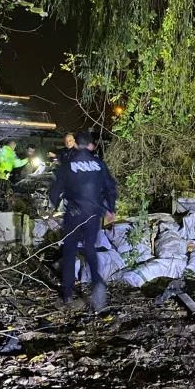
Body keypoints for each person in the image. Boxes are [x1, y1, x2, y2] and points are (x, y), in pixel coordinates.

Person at [49, 130, 117, 312]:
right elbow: (111, 186)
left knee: (70, 250)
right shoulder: (99, 164)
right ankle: (97, 285)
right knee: (89, 249)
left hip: (74, 213)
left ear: (76, 144)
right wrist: (111, 208)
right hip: (93, 214)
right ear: (90, 145)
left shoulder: (67, 164)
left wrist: (53, 206)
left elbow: (55, 190)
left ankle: (68, 293)